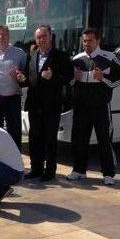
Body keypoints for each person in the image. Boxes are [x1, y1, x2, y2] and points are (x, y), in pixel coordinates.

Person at [67, 27, 120, 185]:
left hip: (100, 106)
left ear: (98, 40)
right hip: (81, 107)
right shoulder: (76, 59)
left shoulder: (109, 57)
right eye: (84, 41)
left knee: (104, 140)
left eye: (90, 40)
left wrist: (103, 78)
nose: (86, 43)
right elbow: (68, 82)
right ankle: (79, 170)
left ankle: (108, 174)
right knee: (79, 139)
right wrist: (73, 78)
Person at [17, 24, 73, 182]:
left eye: (44, 36)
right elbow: (30, 78)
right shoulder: (33, 54)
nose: (41, 40)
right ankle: (36, 169)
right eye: (38, 37)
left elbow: (69, 78)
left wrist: (53, 77)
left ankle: (50, 171)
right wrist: (22, 79)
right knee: (35, 138)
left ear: (50, 37)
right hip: (34, 104)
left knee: (50, 140)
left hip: (52, 105)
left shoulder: (61, 56)